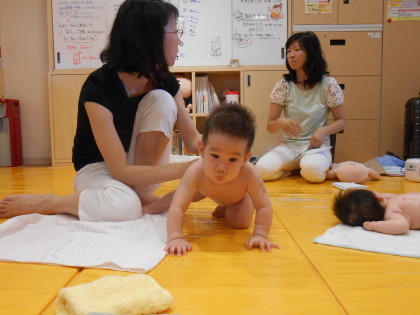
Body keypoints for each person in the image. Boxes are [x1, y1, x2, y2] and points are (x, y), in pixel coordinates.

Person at [0, 0, 200, 221]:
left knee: (162, 99)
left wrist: (229, 153)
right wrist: (183, 170)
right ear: (151, 37)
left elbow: (193, 141)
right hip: (99, 168)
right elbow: (120, 171)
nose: (180, 40)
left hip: (140, 169)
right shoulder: (98, 87)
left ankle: (138, 195)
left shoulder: (165, 80)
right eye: (175, 31)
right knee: (125, 207)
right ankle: (49, 202)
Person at [163, 104, 280, 256]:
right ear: (202, 149)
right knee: (180, 196)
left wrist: (260, 234)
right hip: (205, 188)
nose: (221, 168)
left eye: (232, 159)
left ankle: (227, 207)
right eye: (215, 156)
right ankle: (153, 205)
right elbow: (178, 206)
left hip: (238, 198)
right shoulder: (195, 171)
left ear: (245, 159)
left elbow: (263, 206)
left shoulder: (250, 174)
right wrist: (175, 237)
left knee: (240, 223)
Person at [255, 31, 346, 183]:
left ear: (311, 53)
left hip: (316, 148)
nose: (291, 55)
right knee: (260, 170)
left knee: (312, 172)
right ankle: (291, 171)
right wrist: (280, 122)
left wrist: (323, 131)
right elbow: (270, 126)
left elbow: (342, 121)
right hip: (289, 147)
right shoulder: (283, 85)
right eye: (289, 51)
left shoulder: (328, 84)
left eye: (297, 50)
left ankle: (313, 168)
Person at [333, 189, 420, 235]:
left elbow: (384, 197)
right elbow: (403, 226)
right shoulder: (392, 213)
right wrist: (375, 226)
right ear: (377, 197)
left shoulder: (389, 201)